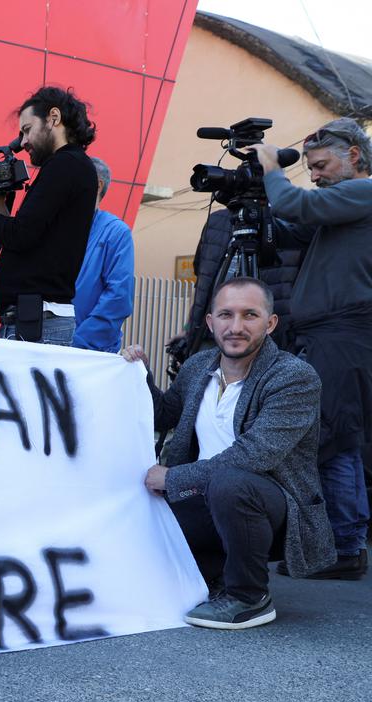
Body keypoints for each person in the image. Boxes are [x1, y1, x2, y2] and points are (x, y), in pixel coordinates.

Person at [123, 277, 333, 628]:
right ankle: (215, 575)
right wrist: (137, 373)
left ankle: (249, 596)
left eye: (249, 315)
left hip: (273, 507)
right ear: (210, 322)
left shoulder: (294, 378)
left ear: (270, 323)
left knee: (230, 482)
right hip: (205, 497)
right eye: (226, 315)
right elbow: (162, 415)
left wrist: (173, 477)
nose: (236, 327)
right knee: (145, 523)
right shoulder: (198, 366)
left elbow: (254, 456)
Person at [252, 119, 372, 580]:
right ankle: (346, 544)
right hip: (332, 333)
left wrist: (269, 168)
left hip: (343, 332)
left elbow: (292, 202)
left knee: (334, 438)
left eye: (320, 165)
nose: (315, 175)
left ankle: (344, 547)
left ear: (354, 156)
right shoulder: (345, 209)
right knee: (339, 437)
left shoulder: (363, 192)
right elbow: (289, 227)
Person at [0, 86, 98, 345]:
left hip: (39, 322)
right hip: (36, 319)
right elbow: (31, 235)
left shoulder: (64, 165)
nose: (23, 142)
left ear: (53, 118)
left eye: (27, 130)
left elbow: (21, 234)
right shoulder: (71, 166)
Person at [166, 207, 305, 371]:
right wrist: (188, 328)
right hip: (207, 335)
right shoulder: (216, 221)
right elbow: (203, 282)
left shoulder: (290, 220)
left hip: (269, 337)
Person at [71, 157, 135, 351]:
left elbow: (118, 298)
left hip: (90, 353)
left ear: (97, 186)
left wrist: (77, 344)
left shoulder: (116, 232)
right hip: (54, 347)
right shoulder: (59, 228)